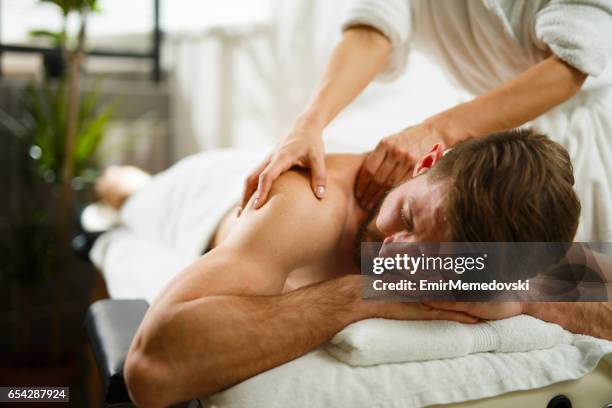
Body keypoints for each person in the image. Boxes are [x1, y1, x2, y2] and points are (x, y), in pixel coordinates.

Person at [100, 130, 606, 407]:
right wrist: (356, 296)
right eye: (406, 217)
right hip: (202, 194)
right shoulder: (303, 208)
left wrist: (524, 292)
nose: (394, 258)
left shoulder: (505, 242)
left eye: (439, 263)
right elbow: (150, 372)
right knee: (123, 193)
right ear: (426, 163)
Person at [241, 0, 612, 242]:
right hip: (492, 133)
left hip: (588, 134)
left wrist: (436, 129)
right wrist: (308, 125)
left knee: (574, 290)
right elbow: (373, 31)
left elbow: (569, 66)